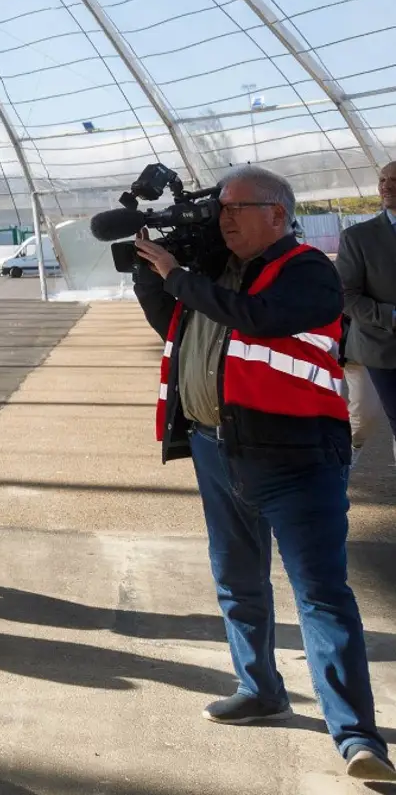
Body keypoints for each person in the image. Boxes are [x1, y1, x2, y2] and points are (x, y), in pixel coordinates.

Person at [132, 166, 395, 781]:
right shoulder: (212, 277)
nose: (223, 219)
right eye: (219, 209)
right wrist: (152, 273)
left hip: (294, 457)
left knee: (322, 595)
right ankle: (259, 688)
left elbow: (256, 319)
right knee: (237, 581)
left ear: (277, 213)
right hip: (215, 449)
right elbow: (173, 325)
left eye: (237, 207)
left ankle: (357, 737)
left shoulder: (306, 271)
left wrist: (180, 275)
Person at [338, 160, 396, 460]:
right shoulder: (358, 237)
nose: (386, 185)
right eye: (383, 179)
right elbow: (347, 296)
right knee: (363, 421)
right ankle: (344, 464)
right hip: (375, 346)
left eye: (394, 179)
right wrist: (392, 317)